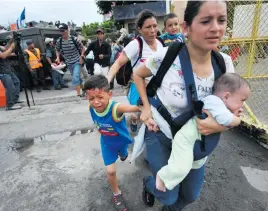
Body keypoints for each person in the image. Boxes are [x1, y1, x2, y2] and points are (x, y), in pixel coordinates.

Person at [133, 1, 235, 210]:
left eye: (221, 20)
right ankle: (149, 184)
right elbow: (137, 74)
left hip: (196, 143)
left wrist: (220, 126)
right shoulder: (167, 56)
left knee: (190, 195)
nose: (216, 28)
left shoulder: (224, 64)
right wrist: (145, 108)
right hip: (161, 134)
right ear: (186, 27)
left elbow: (234, 107)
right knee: (168, 196)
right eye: (206, 21)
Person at [155, 73, 250, 192]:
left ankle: (175, 177)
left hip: (197, 140)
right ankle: (163, 176)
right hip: (185, 139)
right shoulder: (215, 101)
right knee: (181, 168)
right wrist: (238, 120)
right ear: (226, 96)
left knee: (194, 164)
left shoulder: (222, 106)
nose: (242, 105)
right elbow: (226, 119)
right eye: (242, 100)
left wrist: (233, 114)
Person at [84, 75, 140, 211]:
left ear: (109, 95)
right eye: (91, 98)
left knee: (123, 153)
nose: (96, 102)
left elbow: (135, 108)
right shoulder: (91, 108)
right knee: (110, 171)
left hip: (122, 141)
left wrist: (146, 109)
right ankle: (117, 193)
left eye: (100, 97)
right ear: (87, 97)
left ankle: (123, 153)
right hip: (107, 144)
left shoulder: (116, 108)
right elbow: (97, 121)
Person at [108, 10, 165, 132]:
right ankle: (133, 121)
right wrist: (106, 82)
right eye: (148, 27)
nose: (152, 30)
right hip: (137, 87)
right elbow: (118, 63)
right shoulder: (136, 44)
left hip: (156, 88)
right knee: (135, 113)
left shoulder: (161, 43)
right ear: (139, 29)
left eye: (154, 26)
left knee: (153, 116)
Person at [55, 23, 86, 97]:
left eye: (63, 31)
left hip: (77, 61)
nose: (62, 32)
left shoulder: (74, 39)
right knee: (77, 78)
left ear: (67, 30)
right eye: (60, 31)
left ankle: (78, 95)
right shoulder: (59, 41)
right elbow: (57, 49)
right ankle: (84, 89)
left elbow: (82, 48)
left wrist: (81, 56)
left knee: (75, 77)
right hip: (69, 62)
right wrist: (58, 57)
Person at [0, 40, 22, 110]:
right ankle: (9, 105)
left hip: (8, 69)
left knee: (17, 82)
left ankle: (14, 100)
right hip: (3, 71)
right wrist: (11, 47)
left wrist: (11, 40)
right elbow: (3, 56)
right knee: (10, 88)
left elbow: (5, 49)